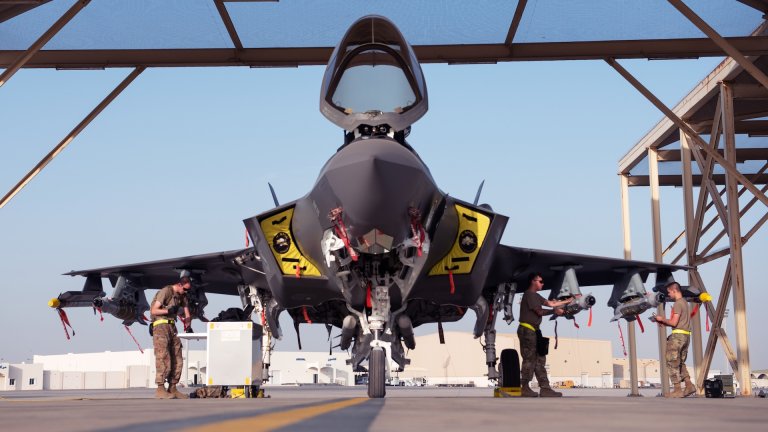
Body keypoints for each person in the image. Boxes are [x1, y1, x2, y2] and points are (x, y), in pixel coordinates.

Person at [518, 272, 571, 397]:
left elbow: (551, 303)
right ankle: (524, 387)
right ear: (533, 281)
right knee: (529, 359)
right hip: (527, 330)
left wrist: (569, 301)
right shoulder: (529, 295)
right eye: (540, 281)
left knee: (540, 359)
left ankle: (545, 388)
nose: (543, 283)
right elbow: (540, 312)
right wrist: (555, 311)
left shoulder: (537, 296)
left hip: (535, 331)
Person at [150, 275, 193, 399]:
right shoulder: (166, 291)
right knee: (163, 356)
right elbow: (154, 310)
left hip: (172, 327)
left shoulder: (182, 296)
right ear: (179, 285)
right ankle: (160, 388)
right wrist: (168, 311)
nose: (186, 292)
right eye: (185, 289)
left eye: (188, 291)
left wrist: (188, 325)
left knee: (178, 357)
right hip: (161, 326)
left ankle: (173, 388)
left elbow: (187, 313)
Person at [653, 281, 697, 398]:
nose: (668, 295)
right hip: (686, 336)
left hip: (677, 338)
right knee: (680, 363)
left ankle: (677, 389)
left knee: (671, 362)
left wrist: (661, 318)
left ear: (674, 290)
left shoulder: (678, 304)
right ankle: (689, 385)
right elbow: (678, 323)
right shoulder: (685, 304)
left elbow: (674, 322)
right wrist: (663, 322)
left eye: (669, 292)